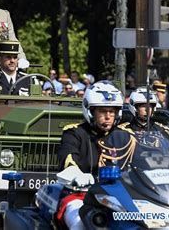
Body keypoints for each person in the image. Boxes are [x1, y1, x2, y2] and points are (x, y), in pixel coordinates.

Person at [57, 81, 126, 230]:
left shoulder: (124, 136)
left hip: (121, 196)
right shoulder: (74, 133)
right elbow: (67, 160)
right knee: (80, 222)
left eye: (112, 111)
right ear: (91, 111)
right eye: (102, 111)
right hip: (81, 195)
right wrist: (77, 176)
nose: (108, 116)